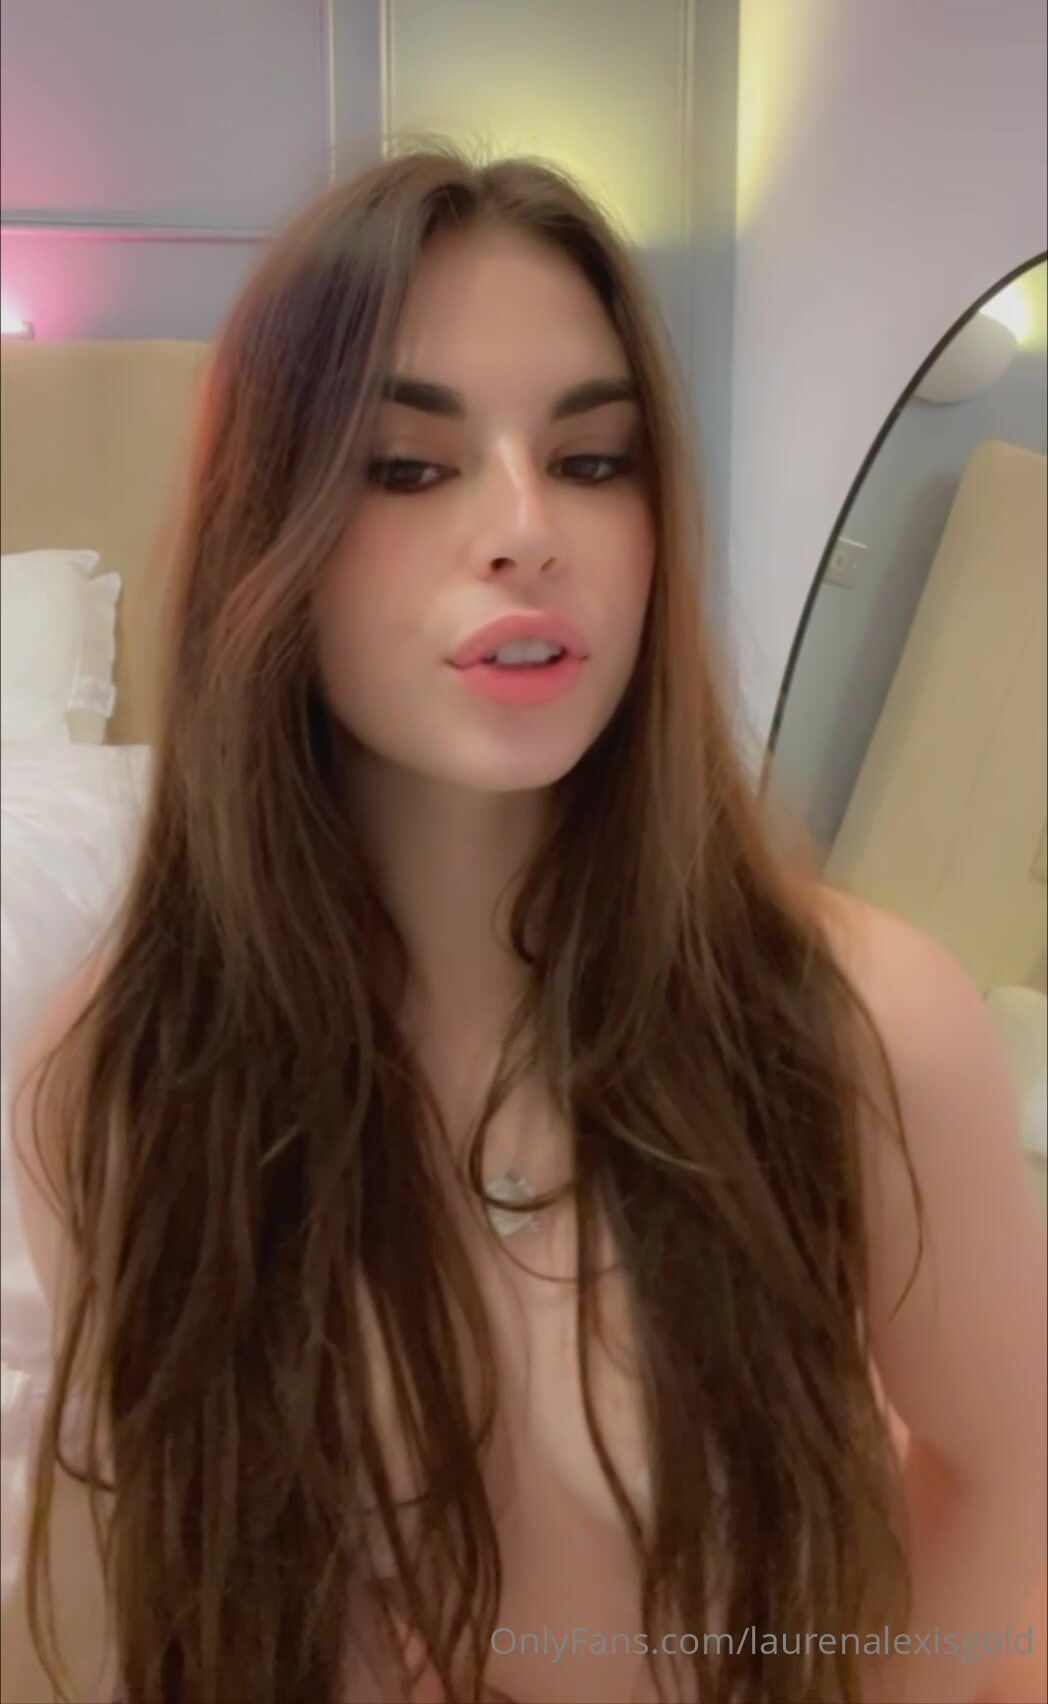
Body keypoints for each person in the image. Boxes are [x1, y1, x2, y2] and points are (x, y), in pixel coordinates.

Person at [8, 139, 1045, 1704]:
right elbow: (125, 1585)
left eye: (594, 460)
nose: (526, 528)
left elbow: (1009, 1488)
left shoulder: (858, 1026)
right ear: (266, 537)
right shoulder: (120, 1068)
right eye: (407, 466)